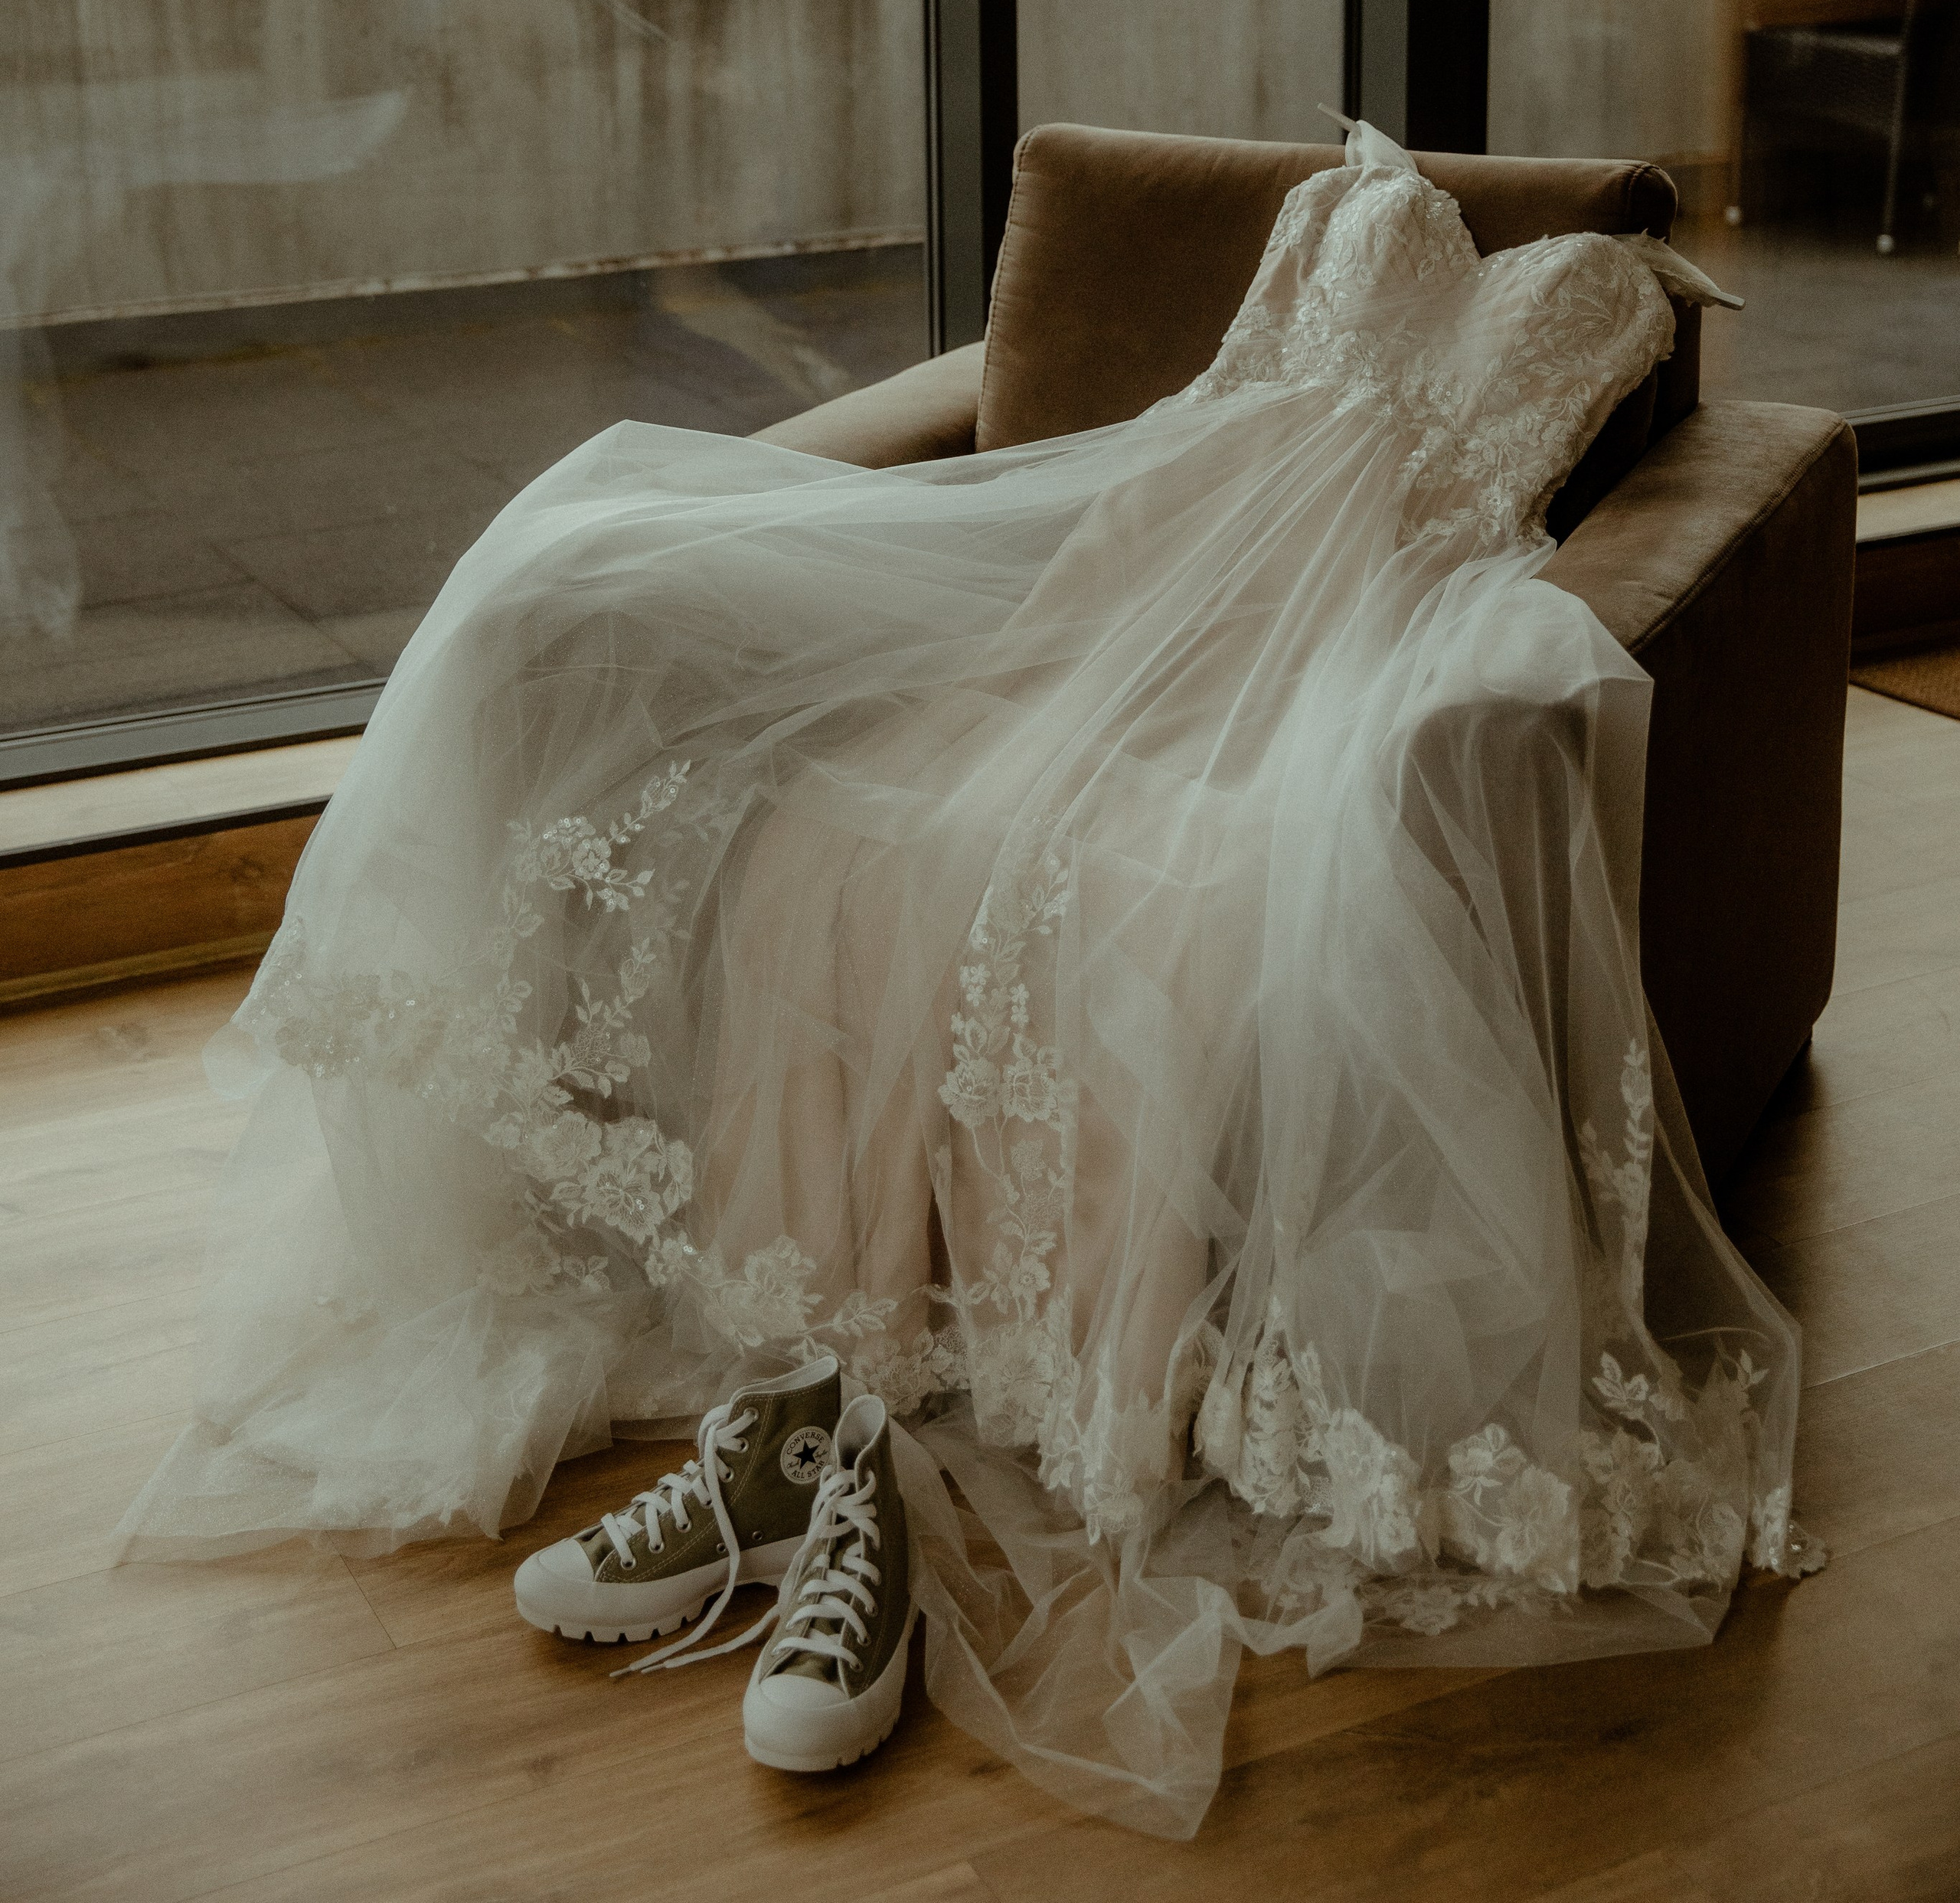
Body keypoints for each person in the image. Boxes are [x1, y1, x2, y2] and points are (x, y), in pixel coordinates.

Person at [117, 125, 1818, 1839]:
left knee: (1179, 880)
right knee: (824, 766)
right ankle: (815, 1423)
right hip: (1130, 567)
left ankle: (883, 1436)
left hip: (1365, 625)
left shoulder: (1606, 299)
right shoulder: (1337, 205)